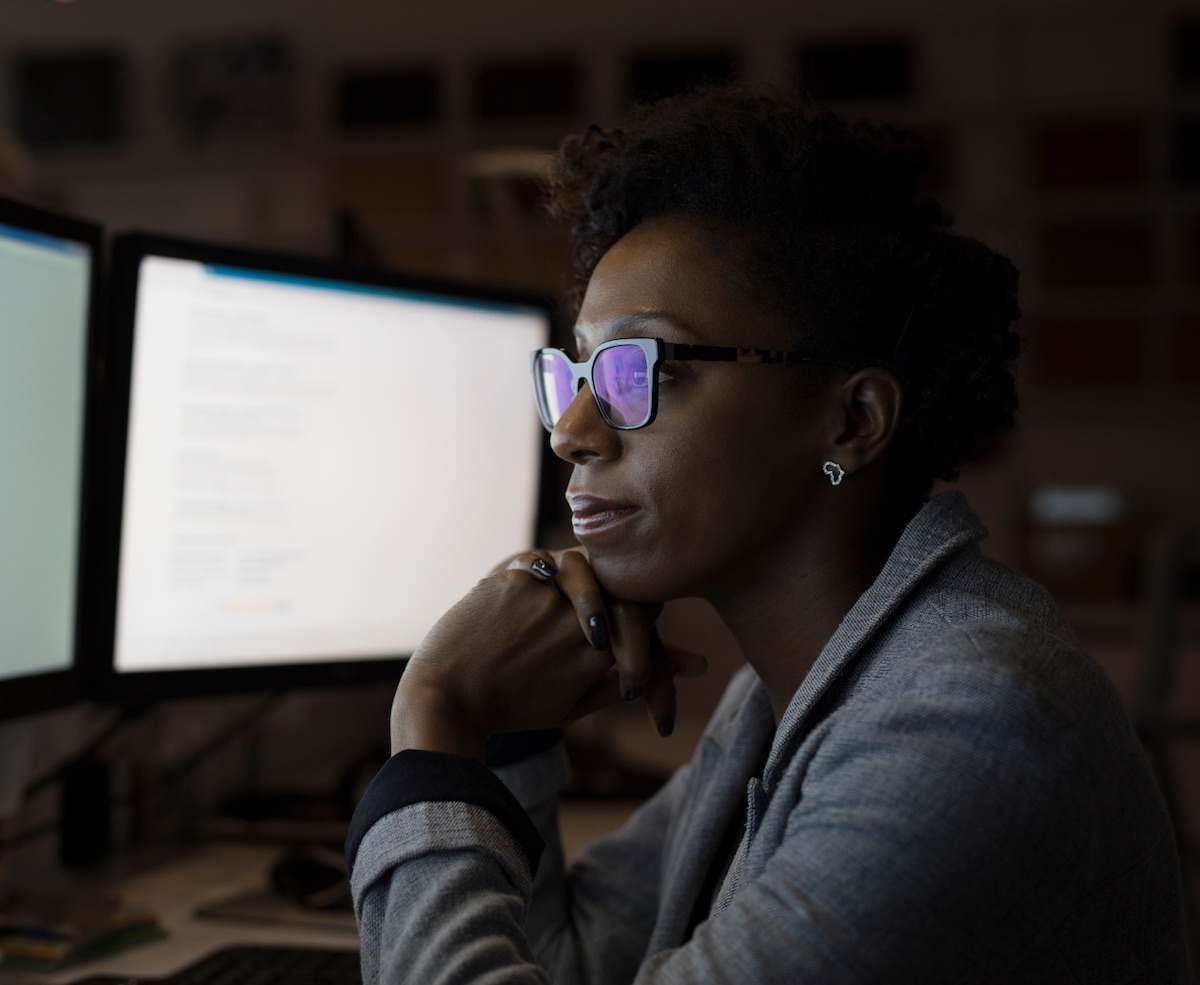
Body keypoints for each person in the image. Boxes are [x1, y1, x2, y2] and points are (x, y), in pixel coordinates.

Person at [345, 84, 1192, 983]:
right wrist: (503, 731)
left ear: (851, 422)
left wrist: (435, 717)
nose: (572, 430)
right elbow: (572, 963)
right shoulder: (784, 691)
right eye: (576, 373)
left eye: (641, 367)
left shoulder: (969, 722)